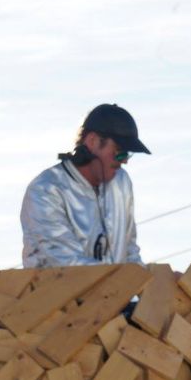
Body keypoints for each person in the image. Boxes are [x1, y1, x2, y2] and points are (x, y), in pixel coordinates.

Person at [21, 104, 150, 267]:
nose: (124, 160)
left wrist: (161, 283)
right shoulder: (46, 190)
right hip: (62, 293)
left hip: (114, 292)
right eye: (119, 151)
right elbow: (63, 263)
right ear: (93, 141)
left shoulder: (122, 183)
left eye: (128, 154)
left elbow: (130, 253)